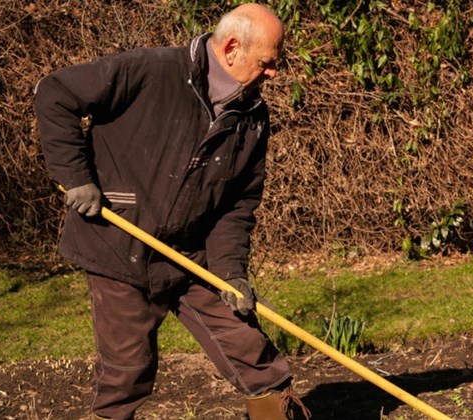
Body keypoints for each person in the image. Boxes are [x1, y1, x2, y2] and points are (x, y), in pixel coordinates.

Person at [34, 3, 309, 419]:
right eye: (267, 63)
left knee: (255, 357)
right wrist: (76, 177)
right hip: (119, 245)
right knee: (127, 374)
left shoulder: (252, 118)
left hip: (190, 255)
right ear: (232, 48)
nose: (273, 73)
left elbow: (237, 204)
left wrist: (231, 272)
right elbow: (55, 93)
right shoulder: (151, 70)